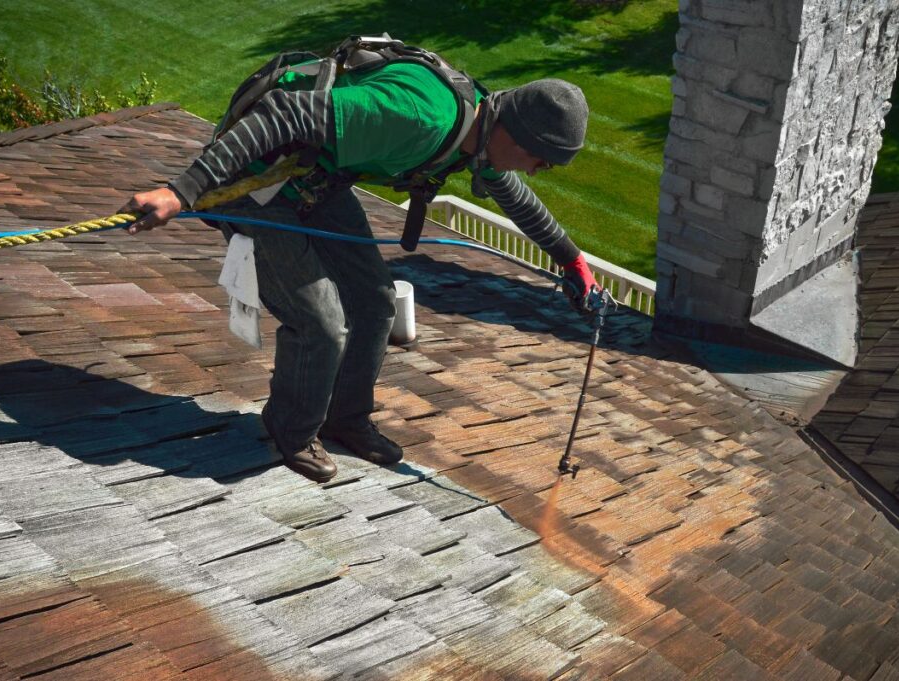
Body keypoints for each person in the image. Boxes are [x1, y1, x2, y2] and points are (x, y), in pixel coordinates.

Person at [121, 46, 599, 484]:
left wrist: (572, 261)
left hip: (315, 177)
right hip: (258, 181)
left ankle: (345, 420)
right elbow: (285, 112)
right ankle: (292, 430)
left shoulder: (483, 128)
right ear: (514, 133)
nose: (537, 172)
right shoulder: (420, 116)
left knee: (374, 304)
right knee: (322, 323)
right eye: (541, 161)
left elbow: (514, 197)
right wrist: (182, 190)